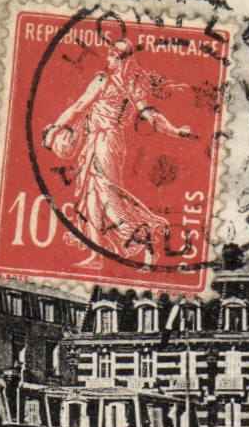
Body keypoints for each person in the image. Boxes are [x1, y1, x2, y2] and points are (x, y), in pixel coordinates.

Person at [40, 35, 193, 264]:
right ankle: (97, 253)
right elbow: (152, 116)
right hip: (106, 141)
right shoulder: (133, 86)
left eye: (113, 56)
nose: (109, 60)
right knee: (91, 196)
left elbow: (78, 107)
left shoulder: (104, 81)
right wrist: (176, 130)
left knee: (106, 194)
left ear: (122, 60)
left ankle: (144, 235)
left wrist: (54, 130)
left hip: (104, 142)